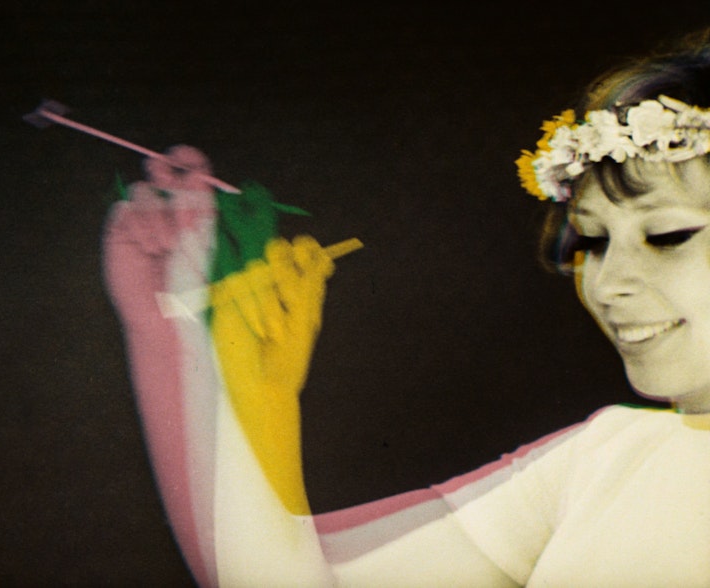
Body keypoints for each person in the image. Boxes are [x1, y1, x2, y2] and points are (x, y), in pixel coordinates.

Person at [103, 29, 710, 587]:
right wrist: (193, 345)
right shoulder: (609, 456)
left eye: (668, 235)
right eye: (594, 241)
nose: (606, 285)